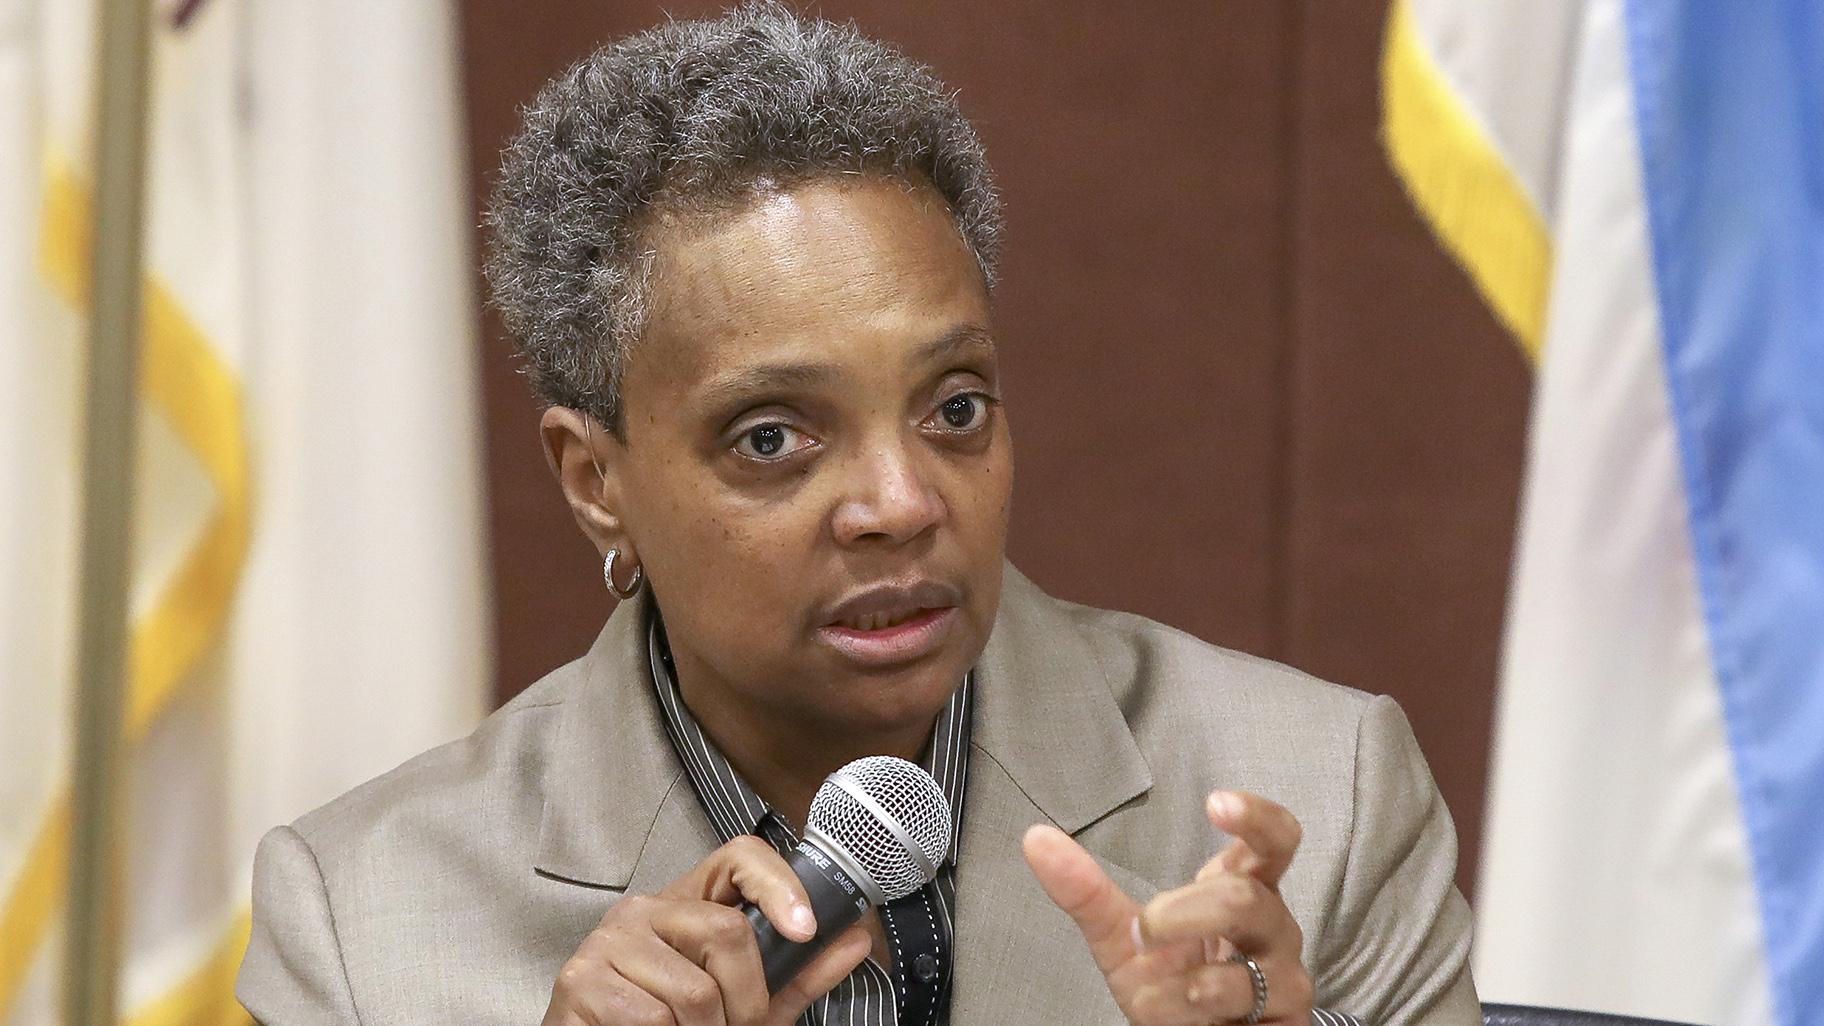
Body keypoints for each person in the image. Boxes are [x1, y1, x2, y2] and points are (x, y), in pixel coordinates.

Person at [235, 5, 1477, 1025]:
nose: (901, 503)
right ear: (593, 479)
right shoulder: (365, 922)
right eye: (772, 437)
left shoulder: (1321, 801)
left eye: (953, 409)